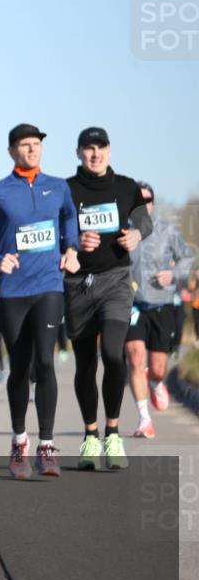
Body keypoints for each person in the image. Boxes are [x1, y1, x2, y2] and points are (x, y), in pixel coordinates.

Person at [0, 123, 80, 480]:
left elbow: (69, 218)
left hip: (48, 286)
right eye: (25, 145)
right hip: (13, 292)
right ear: (12, 151)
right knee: (20, 367)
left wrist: (71, 248)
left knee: (45, 361)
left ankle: (46, 446)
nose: (32, 150)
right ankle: (18, 441)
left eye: (37, 145)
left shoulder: (57, 187)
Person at [64, 127, 152, 471]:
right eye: (89, 148)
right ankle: (90, 435)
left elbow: (145, 223)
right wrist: (73, 241)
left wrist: (135, 234)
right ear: (79, 153)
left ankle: (112, 432)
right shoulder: (66, 190)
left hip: (116, 281)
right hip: (78, 286)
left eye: (100, 148)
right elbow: (58, 230)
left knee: (113, 355)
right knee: (85, 365)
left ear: (110, 151)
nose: (95, 154)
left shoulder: (127, 186)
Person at [126, 182, 194, 438]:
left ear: (152, 202)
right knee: (134, 356)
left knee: (157, 366)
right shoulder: (124, 233)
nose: (143, 204)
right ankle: (144, 419)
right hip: (133, 305)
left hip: (162, 305)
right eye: (138, 200)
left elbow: (187, 257)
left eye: (147, 199)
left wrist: (173, 274)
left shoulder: (167, 230)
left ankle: (155, 382)